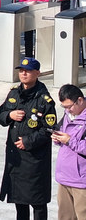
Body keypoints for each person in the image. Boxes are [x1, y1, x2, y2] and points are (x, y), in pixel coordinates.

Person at [0, 57, 56, 220]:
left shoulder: (44, 100)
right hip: (16, 158)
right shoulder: (14, 93)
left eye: (28, 71)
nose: (23, 73)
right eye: (21, 71)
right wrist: (10, 115)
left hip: (35, 160)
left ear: (37, 73)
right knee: (19, 200)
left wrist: (28, 141)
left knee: (38, 202)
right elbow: (0, 115)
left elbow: (49, 128)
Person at [53, 84, 86, 219]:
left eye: (69, 106)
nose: (67, 110)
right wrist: (57, 138)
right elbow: (61, 132)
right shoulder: (68, 114)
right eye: (64, 107)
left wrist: (69, 140)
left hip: (81, 181)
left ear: (80, 100)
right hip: (64, 177)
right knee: (65, 216)